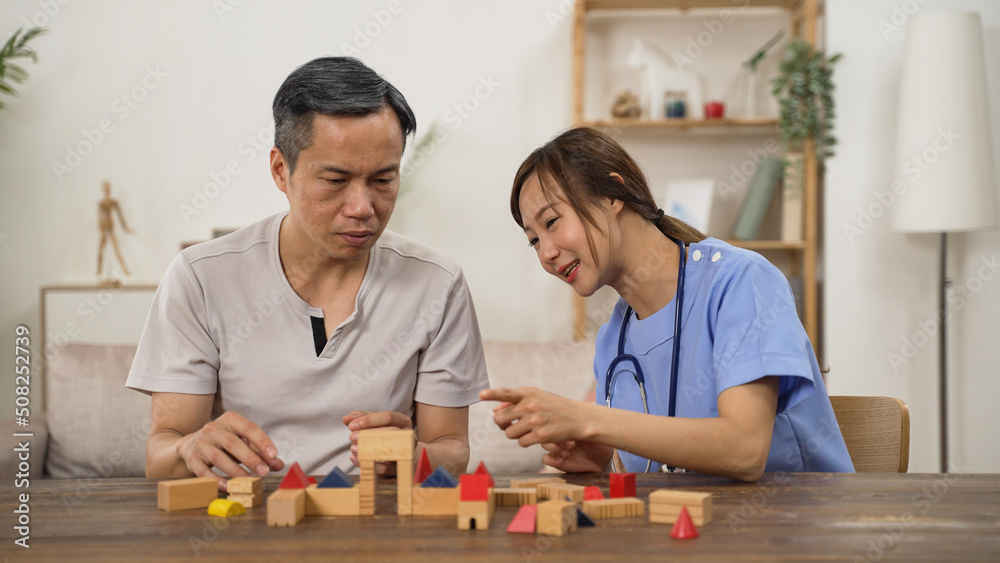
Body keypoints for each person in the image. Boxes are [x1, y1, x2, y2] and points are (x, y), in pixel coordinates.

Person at [127, 57, 489, 490]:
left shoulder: (438, 283)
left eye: (382, 180)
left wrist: (412, 453)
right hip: (245, 524)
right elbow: (161, 455)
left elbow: (452, 450)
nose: (362, 208)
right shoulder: (201, 278)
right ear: (281, 170)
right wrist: (189, 448)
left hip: (381, 530)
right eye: (335, 180)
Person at [481, 127, 853, 481]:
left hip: (794, 532)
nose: (545, 253)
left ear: (612, 195)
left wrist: (588, 418)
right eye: (532, 240)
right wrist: (601, 462)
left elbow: (745, 450)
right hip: (696, 539)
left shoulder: (740, 281)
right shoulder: (615, 339)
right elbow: (659, 472)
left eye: (551, 221)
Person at [96, 180, 134, 278]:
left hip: (110, 227)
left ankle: (125, 269)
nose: (106, 189)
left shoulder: (113, 202)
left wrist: (126, 228)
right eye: (105, 187)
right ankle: (99, 269)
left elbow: (120, 216)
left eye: (107, 187)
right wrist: (100, 227)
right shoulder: (101, 202)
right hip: (104, 228)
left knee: (116, 249)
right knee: (101, 249)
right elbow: (98, 216)